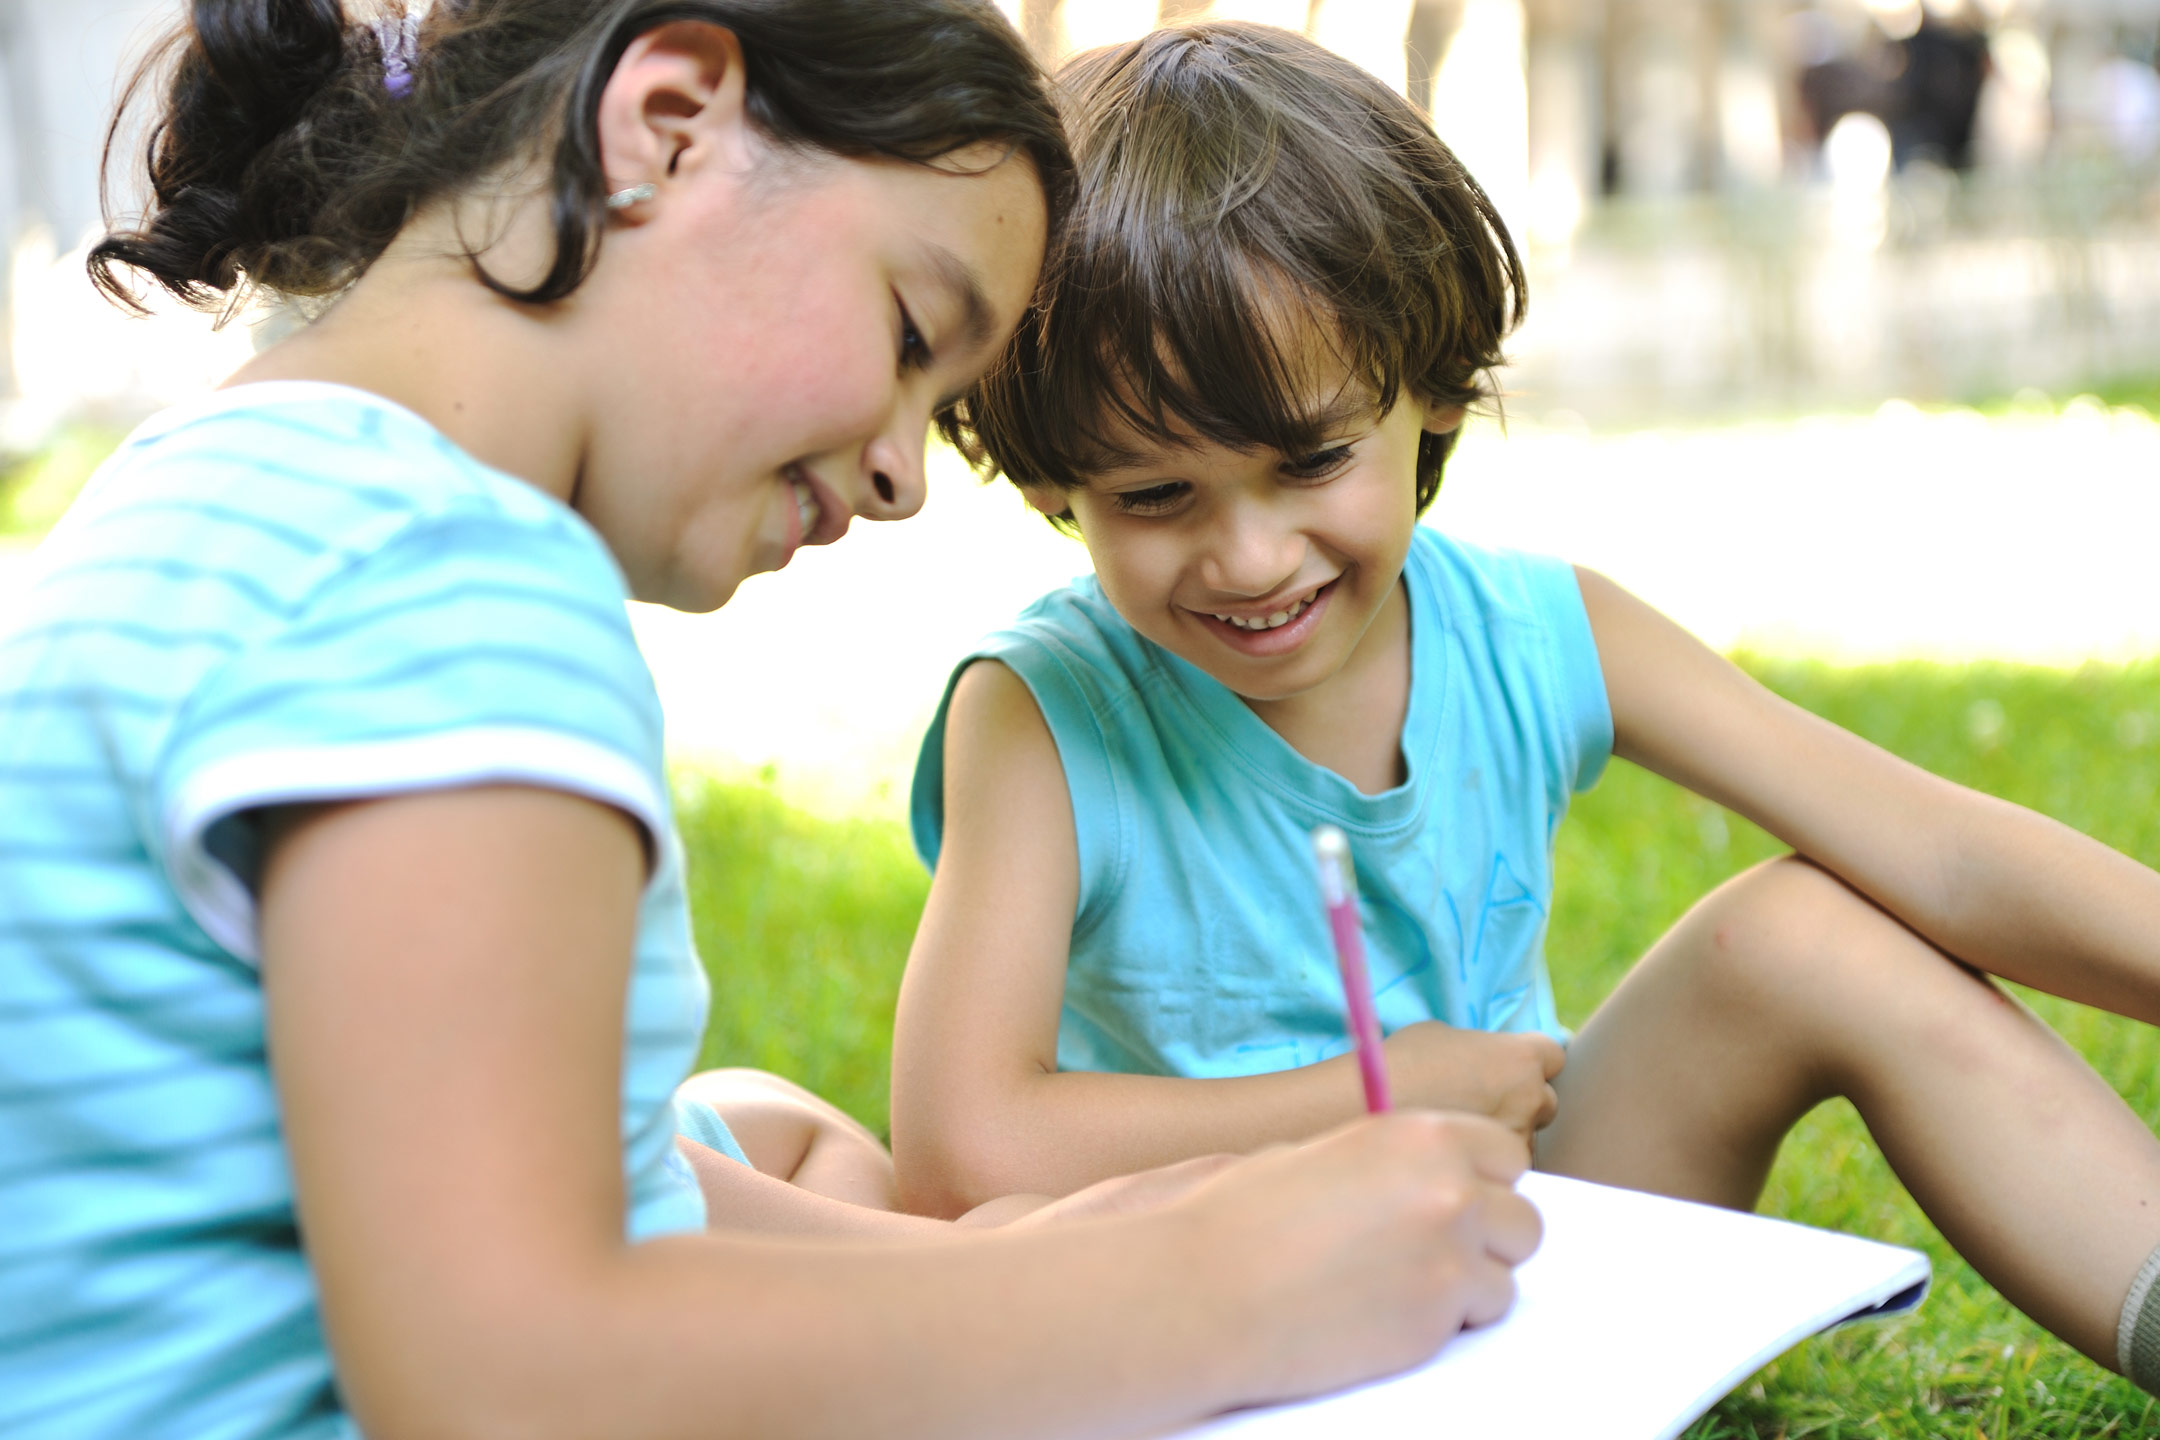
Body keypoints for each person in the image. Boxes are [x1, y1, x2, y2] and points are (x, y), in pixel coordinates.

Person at [0, 5, 1547, 1438]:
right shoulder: (437, 583)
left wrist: (1016, 1255)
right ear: (671, 124)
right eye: (906, 333)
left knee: (734, 1135)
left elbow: (515, 1187)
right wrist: (1221, 1293)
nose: (901, 474)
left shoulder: (253, 486)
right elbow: (506, 1375)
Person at [893, 20, 2160, 1397]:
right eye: (1153, 496)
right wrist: (1375, 1103)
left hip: (1526, 1266)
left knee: (1798, 930)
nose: (1250, 557)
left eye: (1312, 460)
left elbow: (1939, 854)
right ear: (1048, 487)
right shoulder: (1043, 714)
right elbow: (963, 1150)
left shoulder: (1539, 633)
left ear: (1429, 392)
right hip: (1217, 1328)